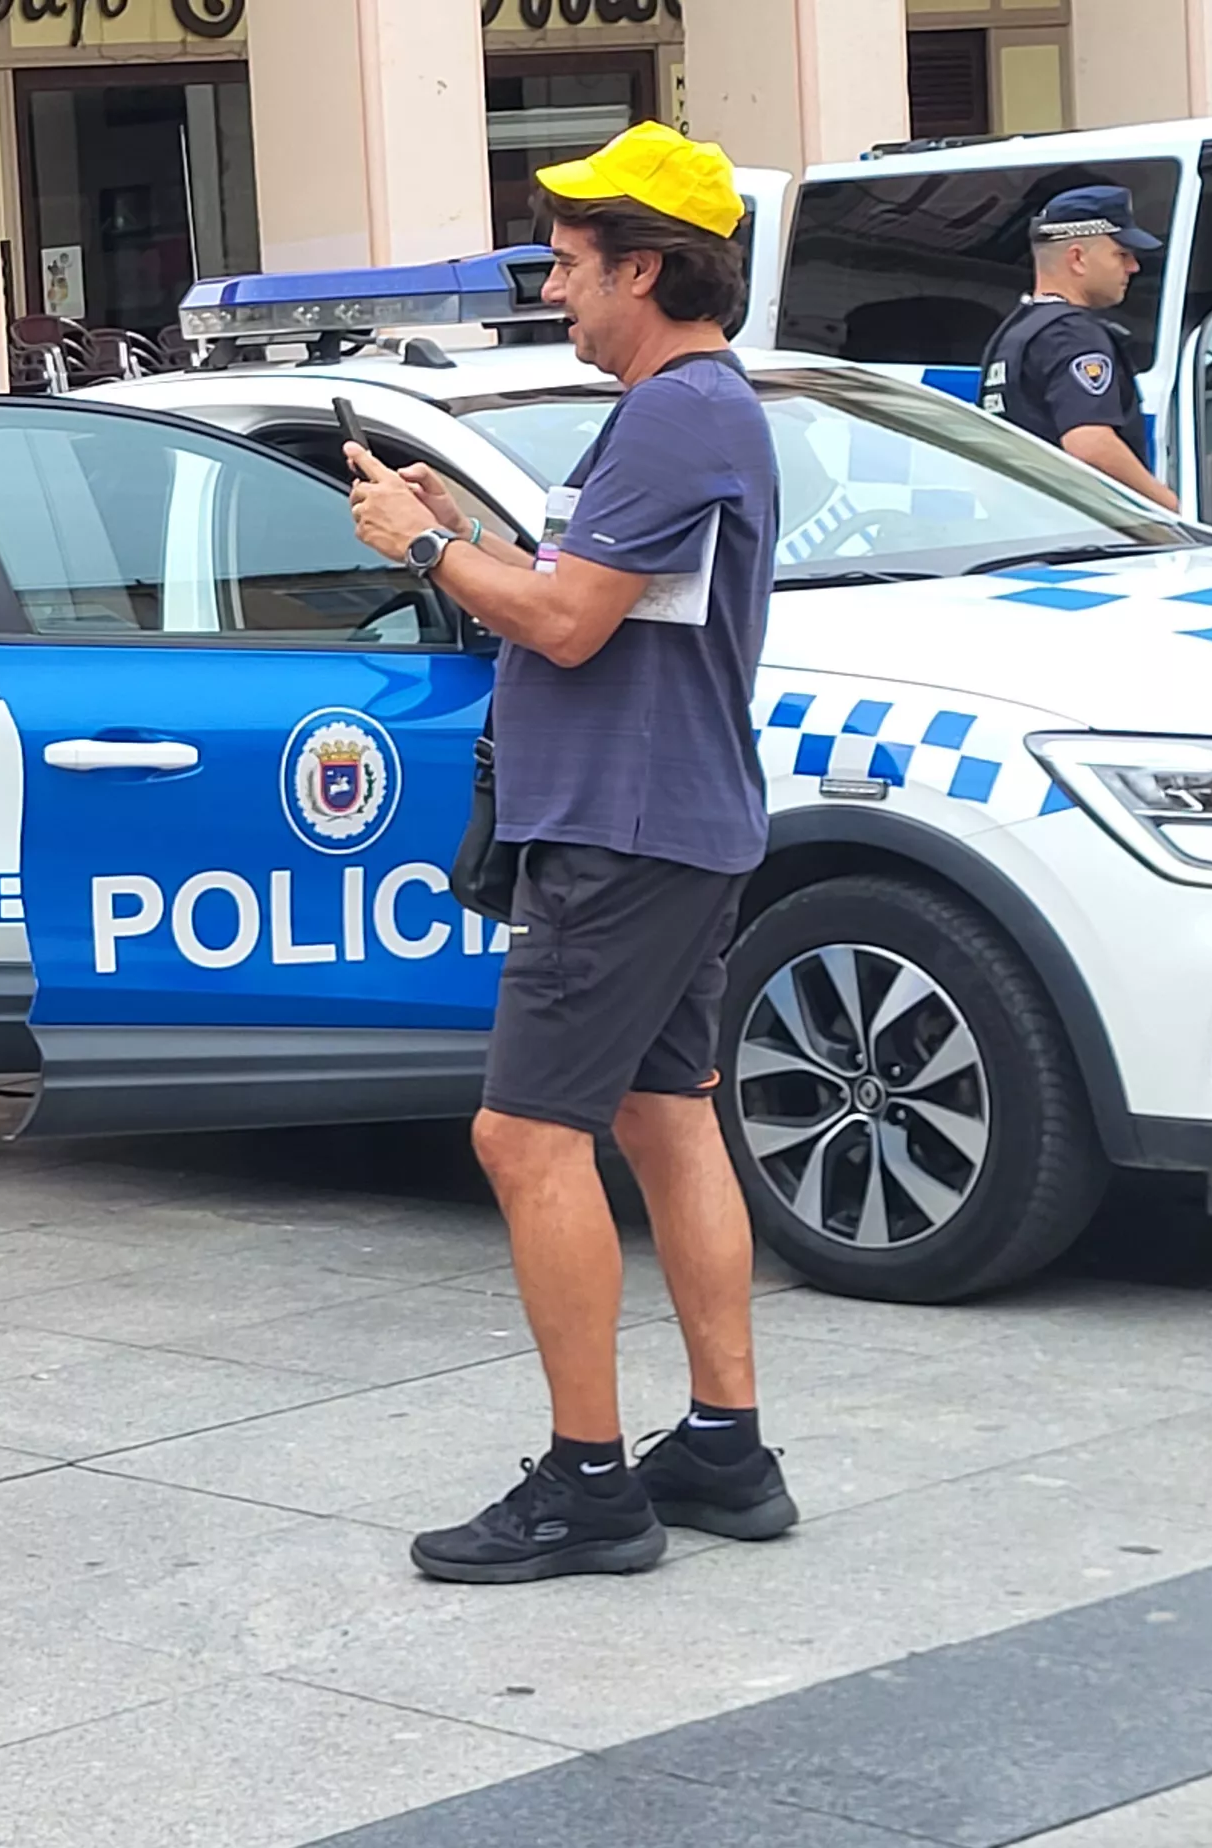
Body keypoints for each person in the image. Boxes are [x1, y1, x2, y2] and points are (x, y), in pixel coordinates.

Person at [343, 119, 799, 1584]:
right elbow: (589, 587)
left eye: (571, 264)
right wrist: (466, 528)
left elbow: (564, 621)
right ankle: (724, 1448)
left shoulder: (678, 413)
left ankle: (589, 1483)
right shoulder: (692, 413)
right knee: (668, 1118)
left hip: (623, 827)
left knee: (525, 1135)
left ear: (647, 269)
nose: (556, 289)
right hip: (665, 817)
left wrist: (417, 547)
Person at [980, 184, 1180, 512]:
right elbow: (1090, 444)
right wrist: (1167, 507)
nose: (1134, 268)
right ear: (1077, 258)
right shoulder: (1073, 334)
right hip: (1082, 536)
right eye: (1122, 254)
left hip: (1025, 528)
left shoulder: (1014, 331)